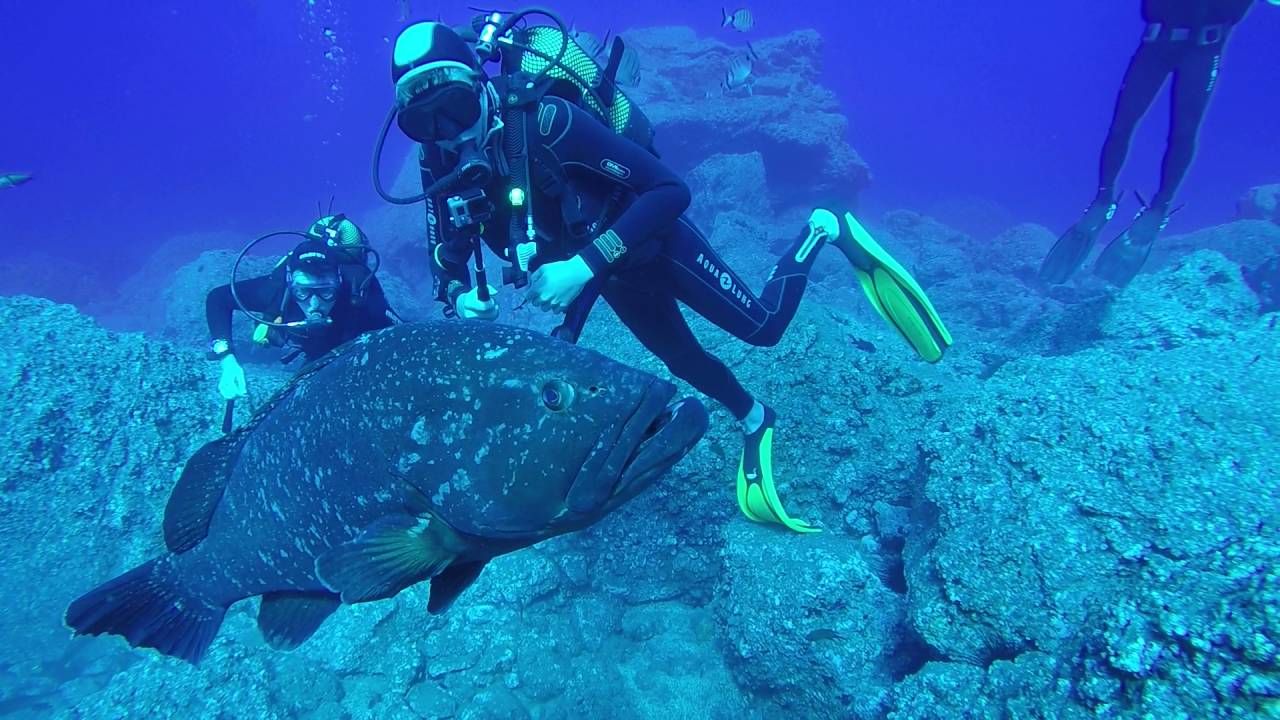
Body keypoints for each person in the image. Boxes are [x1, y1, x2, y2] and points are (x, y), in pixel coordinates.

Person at [387, 18, 951, 532]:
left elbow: (669, 191)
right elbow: (447, 259)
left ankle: (826, 229)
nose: (447, 134)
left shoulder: (550, 122)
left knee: (762, 329)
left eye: (455, 110)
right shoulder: (439, 162)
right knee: (679, 358)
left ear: (478, 87)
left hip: (652, 243)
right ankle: (756, 419)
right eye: (422, 123)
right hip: (611, 273)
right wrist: (461, 298)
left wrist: (582, 266)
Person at [1040, 0, 1262, 288]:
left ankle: (1156, 209)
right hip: (1158, 43)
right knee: (1125, 124)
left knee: (1180, 132)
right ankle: (1104, 200)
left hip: (1202, 50)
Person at [206, 215, 396, 401]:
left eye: (326, 293)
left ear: (339, 283)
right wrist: (227, 360)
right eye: (303, 293)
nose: (315, 305)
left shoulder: (359, 291)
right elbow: (218, 299)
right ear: (290, 284)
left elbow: (397, 332)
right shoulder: (276, 289)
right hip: (316, 356)